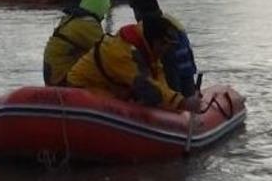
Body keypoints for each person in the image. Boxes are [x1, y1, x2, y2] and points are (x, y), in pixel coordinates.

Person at [66, 14, 200, 112]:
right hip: (84, 89)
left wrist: (174, 103)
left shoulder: (147, 49)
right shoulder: (122, 52)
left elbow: (158, 79)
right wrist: (181, 102)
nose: (167, 51)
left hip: (109, 88)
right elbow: (146, 85)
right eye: (166, 45)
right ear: (158, 42)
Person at [128, 0, 198, 97]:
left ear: (138, 11)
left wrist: (175, 97)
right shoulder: (168, 20)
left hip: (176, 77)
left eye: (135, 12)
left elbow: (170, 66)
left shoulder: (155, 28)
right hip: (187, 73)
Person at [43, 0, 111, 86]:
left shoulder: (70, 19)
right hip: (62, 77)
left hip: (52, 75)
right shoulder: (88, 24)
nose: (103, 16)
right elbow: (107, 52)